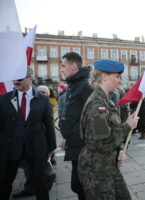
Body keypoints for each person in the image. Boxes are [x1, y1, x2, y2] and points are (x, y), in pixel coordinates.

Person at [78, 59, 139, 200]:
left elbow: (112, 129)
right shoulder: (97, 104)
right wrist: (128, 126)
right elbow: (100, 143)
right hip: (97, 171)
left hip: (108, 166)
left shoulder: (107, 100)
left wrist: (120, 149)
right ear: (104, 76)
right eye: (117, 77)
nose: (119, 81)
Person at [0, 67, 56, 200]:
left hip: (36, 148)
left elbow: (49, 125)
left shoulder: (43, 99)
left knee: (40, 183)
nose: (15, 81)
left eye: (19, 78)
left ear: (31, 77)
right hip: (11, 149)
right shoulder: (3, 99)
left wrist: (52, 147)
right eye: (13, 78)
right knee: (5, 182)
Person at [59, 52, 93, 200]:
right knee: (78, 186)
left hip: (83, 147)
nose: (61, 69)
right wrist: (67, 137)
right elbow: (75, 116)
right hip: (74, 143)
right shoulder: (75, 85)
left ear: (73, 66)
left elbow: (94, 118)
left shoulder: (85, 86)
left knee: (83, 187)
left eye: (63, 65)